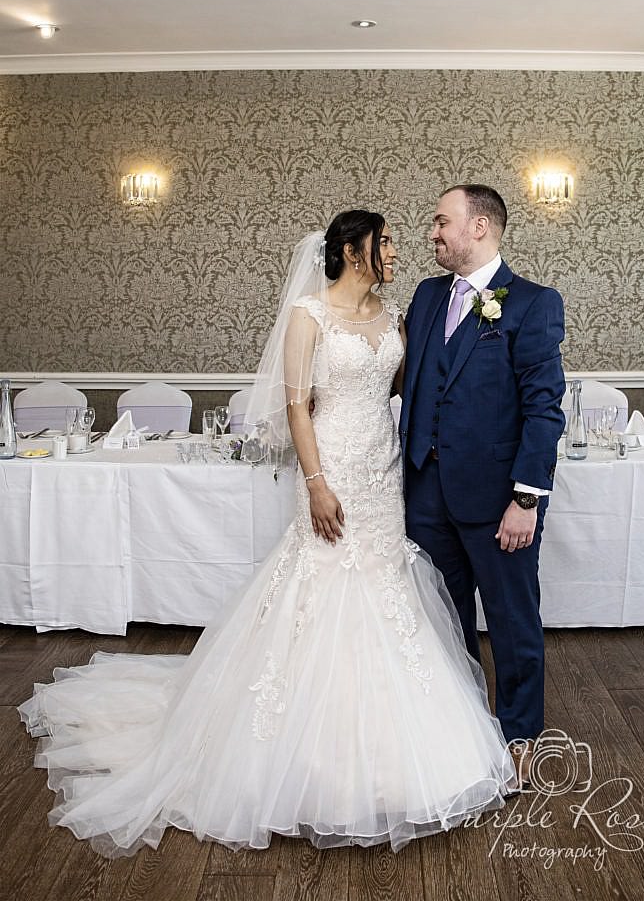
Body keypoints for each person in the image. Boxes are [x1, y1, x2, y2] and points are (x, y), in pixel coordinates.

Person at [18, 209, 515, 859]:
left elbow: (416, 387)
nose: (397, 250)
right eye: (385, 241)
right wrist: (314, 482)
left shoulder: (397, 316)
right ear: (352, 250)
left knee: (388, 588)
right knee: (320, 587)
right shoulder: (308, 315)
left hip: (382, 471)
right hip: (330, 465)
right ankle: (294, 756)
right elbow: (295, 407)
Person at [399, 184, 566, 786]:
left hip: (499, 500)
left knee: (512, 619)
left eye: (442, 221)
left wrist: (525, 499)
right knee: (442, 620)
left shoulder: (531, 303)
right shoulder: (424, 297)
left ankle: (521, 736)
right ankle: (459, 728)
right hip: (424, 493)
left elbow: (545, 409)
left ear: (480, 228)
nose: (433, 233)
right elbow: (404, 378)